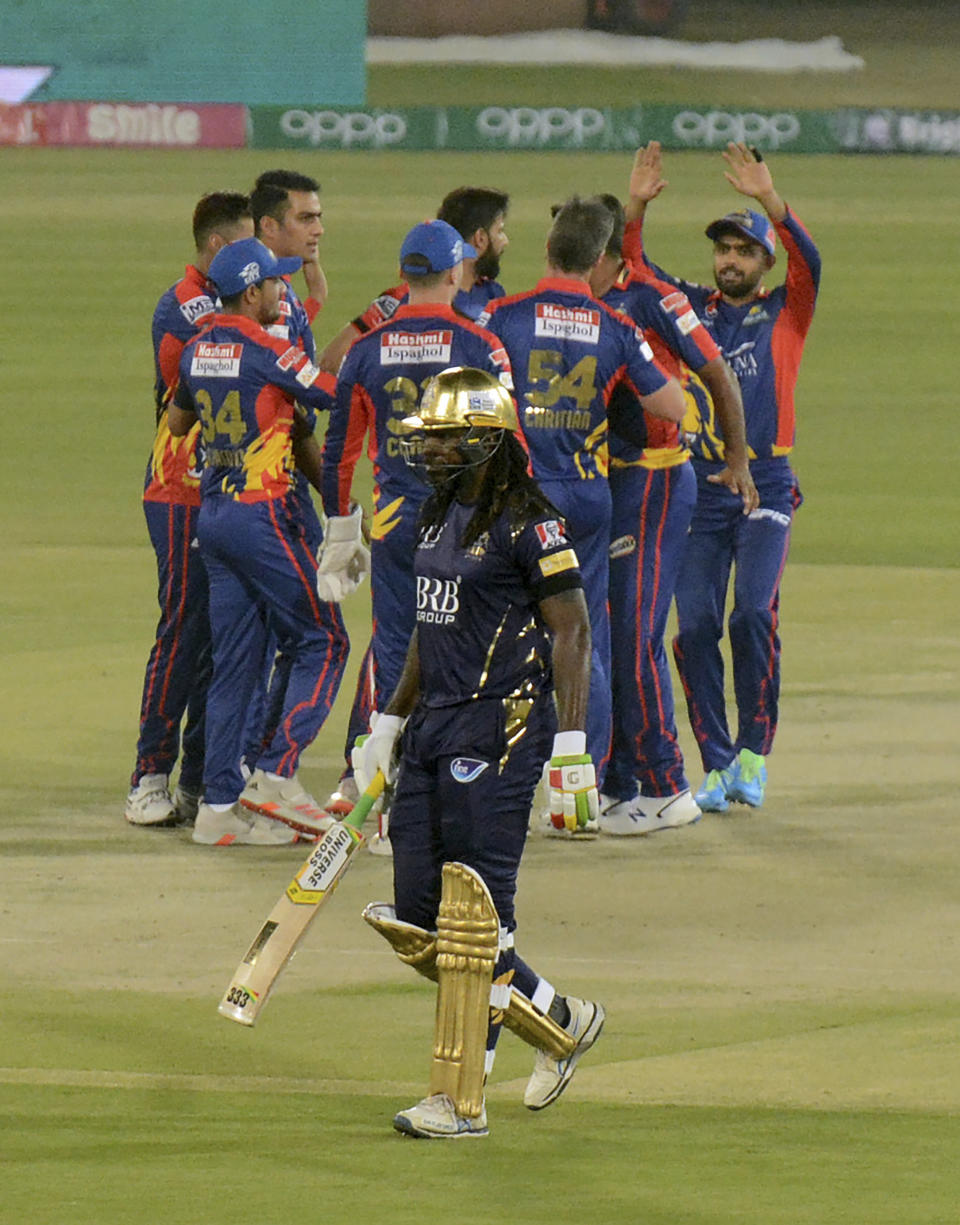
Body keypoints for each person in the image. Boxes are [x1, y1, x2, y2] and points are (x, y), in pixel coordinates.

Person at [355, 367, 604, 1139]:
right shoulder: (435, 517)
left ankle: (459, 1100)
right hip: (433, 729)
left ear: (487, 441)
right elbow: (430, 639)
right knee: (421, 920)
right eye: (426, 437)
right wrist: (386, 727)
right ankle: (559, 1018)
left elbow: (572, 631)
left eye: (445, 437)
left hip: (503, 730)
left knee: (476, 922)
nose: (429, 449)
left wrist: (570, 748)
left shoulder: (533, 523)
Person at [624, 141, 821, 811]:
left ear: (764, 262)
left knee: (750, 612)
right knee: (696, 625)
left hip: (765, 482)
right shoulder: (689, 308)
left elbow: (811, 261)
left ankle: (753, 754)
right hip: (699, 487)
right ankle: (713, 763)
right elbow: (633, 271)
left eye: (744, 250)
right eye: (723, 249)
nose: (730, 259)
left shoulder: (786, 311)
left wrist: (773, 200)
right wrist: (636, 208)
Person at [477, 197, 685, 814]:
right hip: (588, 498)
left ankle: (500, 777)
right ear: (599, 259)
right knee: (580, 633)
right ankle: (577, 788)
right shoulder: (616, 327)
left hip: (520, 494)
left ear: (547, 249)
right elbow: (670, 406)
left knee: (505, 635)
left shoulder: (501, 315)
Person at [318, 220, 513, 820]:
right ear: (456, 272)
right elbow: (510, 439)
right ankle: (463, 781)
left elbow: (338, 452)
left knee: (395, 650)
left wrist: (339, 528)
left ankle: (376, 790)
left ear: (404, 276)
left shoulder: (367, 348)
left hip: (400, 521)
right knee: (469, 648)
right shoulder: (482, 343)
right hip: (466, 519)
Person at [586, 192, 757, 835]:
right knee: (604, 631)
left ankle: (666, 786)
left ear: (606, 255)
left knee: (634, 632)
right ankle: (617, 782)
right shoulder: (583, 302)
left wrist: (737, 458)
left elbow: (717, 372)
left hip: (655, 486)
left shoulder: (655, 297)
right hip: (605, 486)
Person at [167, 237, 347, 846]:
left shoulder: (196, 348)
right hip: (263, 513)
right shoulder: (267, 346)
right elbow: (333, 394)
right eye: (276, 283)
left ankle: (218, 808)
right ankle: (276, 774)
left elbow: (177, 422)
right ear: (252, 291)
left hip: (214, 518)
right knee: (325, 638)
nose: (284, 292)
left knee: (235, 665)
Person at [125, 192, 254, 829]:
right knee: (183, 630)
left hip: (228, 492)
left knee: (220, 640)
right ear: (220, 248)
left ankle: (203, 779)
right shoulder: (182, 309)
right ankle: (149, 774)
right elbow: (193, 396)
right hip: (180, 490)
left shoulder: (243, 307)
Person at [240, 170, 354, 814]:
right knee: (323, 639)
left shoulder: (277, 303)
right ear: (270, 228)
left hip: (257, 499)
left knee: (279, 640)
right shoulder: (273, 313)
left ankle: (245, 776)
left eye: (319, 217)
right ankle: (272, 773)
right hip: (273, 501)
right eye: (306, 218)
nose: (317, 228)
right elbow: (307, 402)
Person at [317, 186, 510, 374]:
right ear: (480, 238)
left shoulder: (493, 294)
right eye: (500, 231)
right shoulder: (403, 298)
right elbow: (331, 361)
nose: (505, 241)